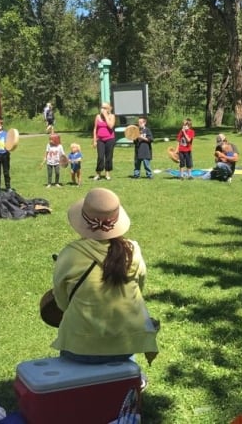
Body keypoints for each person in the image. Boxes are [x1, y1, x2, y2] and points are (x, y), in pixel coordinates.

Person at [52, 188, 159, 365]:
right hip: (125, 344)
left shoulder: (70, 254)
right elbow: (139, 289)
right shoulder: (133, 251)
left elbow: (62, 301)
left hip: (79, 345)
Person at [92, 103, 117, 181]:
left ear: (109, 108)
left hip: (110, 139)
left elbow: (110, 126)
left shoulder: (112, 116)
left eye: (105, 108)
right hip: (100, 140)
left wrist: (106, 116)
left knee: (109, 157)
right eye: (102, 107)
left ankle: (107, 173)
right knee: (100, 157)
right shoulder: (98, 116)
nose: (103, 109)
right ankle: (98, 174)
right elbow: (95, 128)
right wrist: (94, 140)